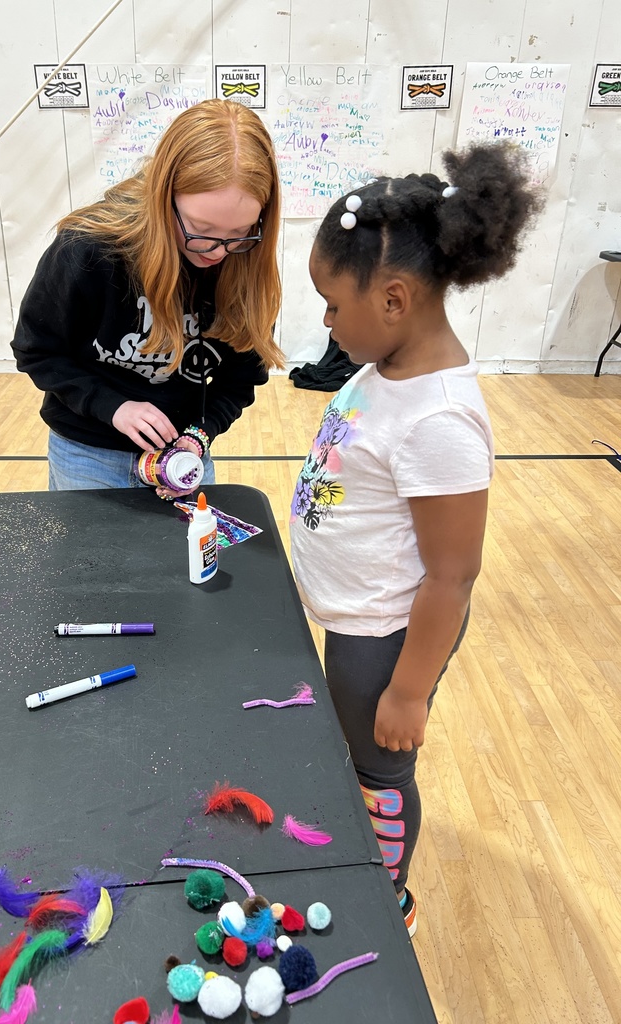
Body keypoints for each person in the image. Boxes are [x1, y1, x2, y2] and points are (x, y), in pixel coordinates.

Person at [289, 143, 542, 936]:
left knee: (380, 770)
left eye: (333, 304)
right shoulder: (382, 367)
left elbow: (453, 577)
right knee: (353, 758)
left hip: (384, 638)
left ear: (393, 300)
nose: (326, 321)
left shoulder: (440, 422)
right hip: (354, 615)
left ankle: (387, 899)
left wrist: (405, 690)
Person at [12, 100, 283, 497]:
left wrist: (199, 435)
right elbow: (37, 351)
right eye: (200, 229)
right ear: (163, 196)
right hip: (88, 454)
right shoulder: (88, 250)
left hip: (182, 458)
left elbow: (239, 381)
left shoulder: (246, 265)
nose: (218, 252)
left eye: (239, 234)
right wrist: (113, 407)